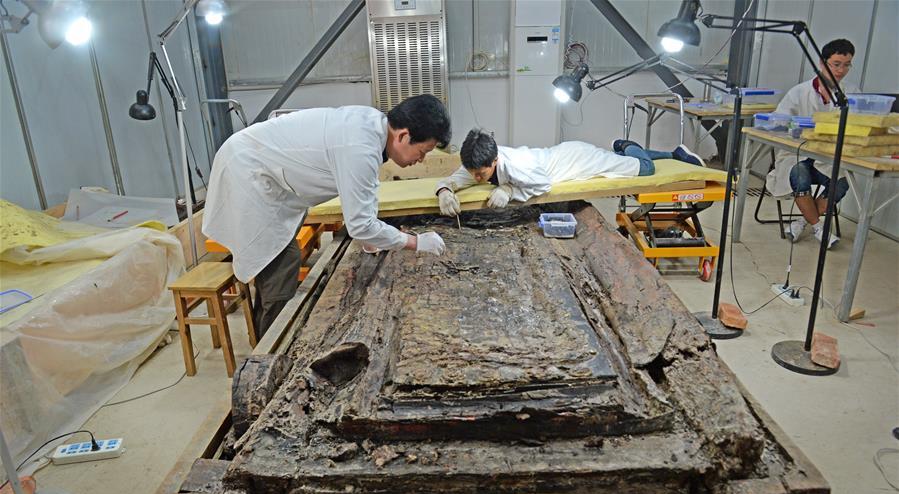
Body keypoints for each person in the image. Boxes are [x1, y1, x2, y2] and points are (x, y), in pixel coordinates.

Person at [203, 94, 451, 337]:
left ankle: (265, 331)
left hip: (261, 171)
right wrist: (414, 242)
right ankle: (268, 349)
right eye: (423, 151)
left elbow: (363, 194)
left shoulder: (372, 126)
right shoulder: (361, 146)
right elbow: (360, 224)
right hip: (247, 173)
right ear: (404, 136)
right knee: (280, 264)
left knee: (280, 256)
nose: (422, 160)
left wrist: (373, 237)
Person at [435, 130, 704, 214]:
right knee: (623, 161)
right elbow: (453, 180)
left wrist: (507, 190)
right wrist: (445, 191)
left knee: (644, 169)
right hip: (560, 154)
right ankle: (676, 155)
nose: (477, 179)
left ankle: (627, 144)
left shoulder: (517, 165)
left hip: (577, 161)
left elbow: (542, 185)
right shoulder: (475, 160)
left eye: (482, 174)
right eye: (474, 174)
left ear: (494, 160)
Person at [767, 38, 859, 248]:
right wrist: (800, 128)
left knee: (842, 182)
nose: (841, 70)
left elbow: (857, 124)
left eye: (846, 65)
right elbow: (777, 122)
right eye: (836, 64)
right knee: (800, 174)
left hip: (828, 157)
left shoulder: (851, 93)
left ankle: (802, 221)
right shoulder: (799, 92)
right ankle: (820, 228)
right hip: (798, 153)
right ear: (821, 62)